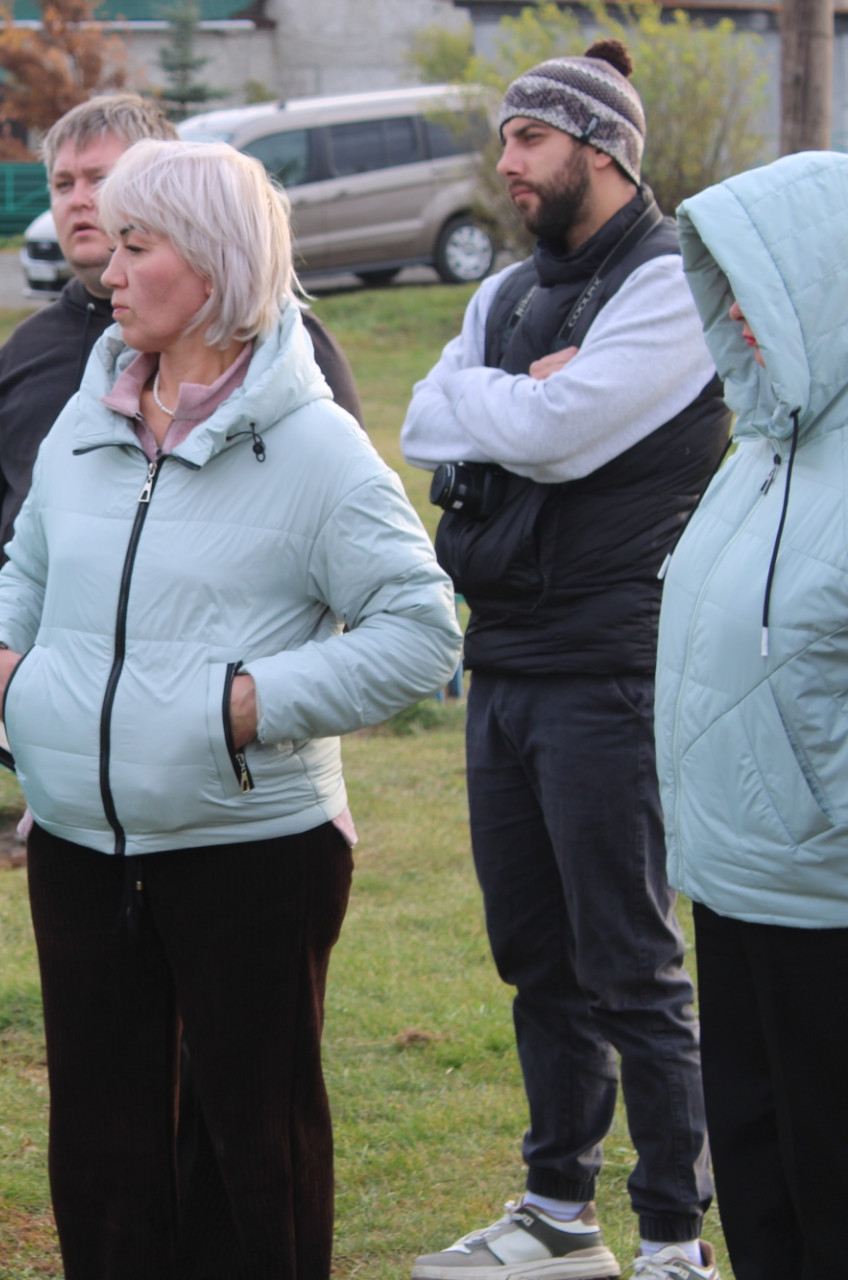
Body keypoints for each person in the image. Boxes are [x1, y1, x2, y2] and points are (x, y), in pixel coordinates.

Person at [0, 138, 461, 1279]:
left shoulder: (316, 447)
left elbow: (423, 631)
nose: (109, 271)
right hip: (79, 847)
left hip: (252, 851)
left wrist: (243, 705)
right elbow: (21, 575)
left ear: (218, 262)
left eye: (138, 246)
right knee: (100, 1145)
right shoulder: (88, 419)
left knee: (252, 1154)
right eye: (110, 247)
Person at [400, 41, 729, 1280]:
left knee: (630, 960)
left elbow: (568, 429)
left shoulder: (671, 279)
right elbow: (424, 414)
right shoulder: (509, 294)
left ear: (600, 147)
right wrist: (522, 401)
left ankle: (674, 1237)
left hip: (611, 668)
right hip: (507, 664)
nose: (507, 164)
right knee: (534, 953)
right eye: (503, 140)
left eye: (528, 140)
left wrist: (530, 410)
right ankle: (556, 1211)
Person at [0, 94, 361, 731]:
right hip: (51, 713)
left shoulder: (276, 348)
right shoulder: (27, 352)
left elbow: (344, 540)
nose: (79, 199)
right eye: (62, 182)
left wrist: (252, 702)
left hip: (217, 742)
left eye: (100, 180)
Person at [659, 150, 848, 1280]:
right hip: (735, 881)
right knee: (765, 1184)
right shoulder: (764, 447)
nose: (731, 308)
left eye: (756, 279)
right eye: (718, 279)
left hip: (829, 904)